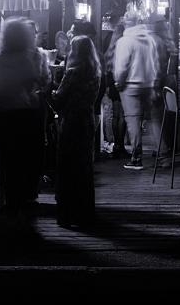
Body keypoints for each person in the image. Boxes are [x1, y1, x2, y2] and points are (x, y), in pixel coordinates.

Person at [0, 18, 52, 217]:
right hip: (26, 114)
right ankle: (25, 199)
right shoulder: (30, 58)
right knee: (28, 159)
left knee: (8, 160)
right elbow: (42, 82)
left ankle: (12, 202)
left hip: (0, 116)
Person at [50, 35, 102, 228]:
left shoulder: (73, 72)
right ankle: (85, 213)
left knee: (67, 167)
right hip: (87, 120)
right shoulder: (95, 72)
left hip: (71, 121)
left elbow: (58, 100)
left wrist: (50, 89)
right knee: (84, 168)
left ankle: (67, 214)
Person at [112, 13, 162, 171]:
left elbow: (122, 66)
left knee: (133, 121)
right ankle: (163, 155)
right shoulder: (149, 39)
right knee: (153, 119)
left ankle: (136, 159)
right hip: (149, 84)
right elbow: (155, 63)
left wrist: (119, 82)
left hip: (130, 85)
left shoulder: (124, 41)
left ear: (127, 24)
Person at [102, 21, 127, 159]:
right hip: (121, 82)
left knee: (115, 115)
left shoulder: (110, 50)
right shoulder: (123, 48)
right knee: (122, 115)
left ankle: (116, 145)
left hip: (112, 83)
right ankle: (120, 145)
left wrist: (108, 85)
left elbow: (106, 70)